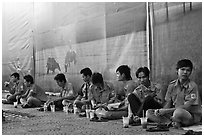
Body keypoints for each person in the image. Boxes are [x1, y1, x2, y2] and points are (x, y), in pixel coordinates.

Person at [146, 59, 202, 128]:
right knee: (149, 113)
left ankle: (174, 121)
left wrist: (166, 111)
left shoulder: (193, 86)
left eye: (188, 70)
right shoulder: (172, 85)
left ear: (190, 72)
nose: (185, 72)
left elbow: (187, 107)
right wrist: (161, 111)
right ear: (177, 71)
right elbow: (168, 103)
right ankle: (172, 122)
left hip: (189, 115)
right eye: (182, 69)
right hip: (174, 113)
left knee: (178, 112)